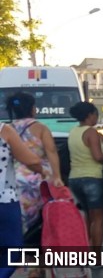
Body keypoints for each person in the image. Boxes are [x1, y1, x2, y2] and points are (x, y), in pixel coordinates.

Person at [6, 92, 64, 233]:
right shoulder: (41, 128)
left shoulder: (7, 130)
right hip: (39, 180)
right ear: (33, 109)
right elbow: (51, 152)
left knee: (16, 225)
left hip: (12, 181)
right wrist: (57, 177)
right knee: (41, 223)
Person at [67, 102, 103, 253]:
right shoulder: (91, 132)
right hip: (92, 178)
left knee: (88, 217)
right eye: (96, 114)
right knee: (98, 219)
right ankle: (97, 257)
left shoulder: (74, 131)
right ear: (90, 115)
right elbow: (97, 157)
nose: (97, 117)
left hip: (74, 179)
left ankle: (84, 253)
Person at [0, 122, 46, 278]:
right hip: (3, 201)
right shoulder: (3, 130)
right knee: (12, 249)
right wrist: (43, 171)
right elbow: (32, 161)